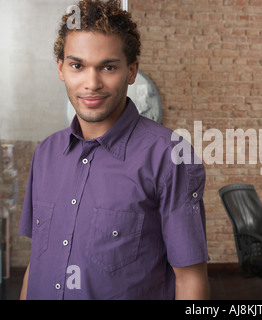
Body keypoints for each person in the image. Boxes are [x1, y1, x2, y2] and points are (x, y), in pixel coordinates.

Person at [18, 0, 210, 300]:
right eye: (77, 66)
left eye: (108, 67)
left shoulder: (170, 156)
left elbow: (190, 280)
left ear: (131, 71)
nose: (91, 83)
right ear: (61, 68)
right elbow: (37, 263)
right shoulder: (45, 153)